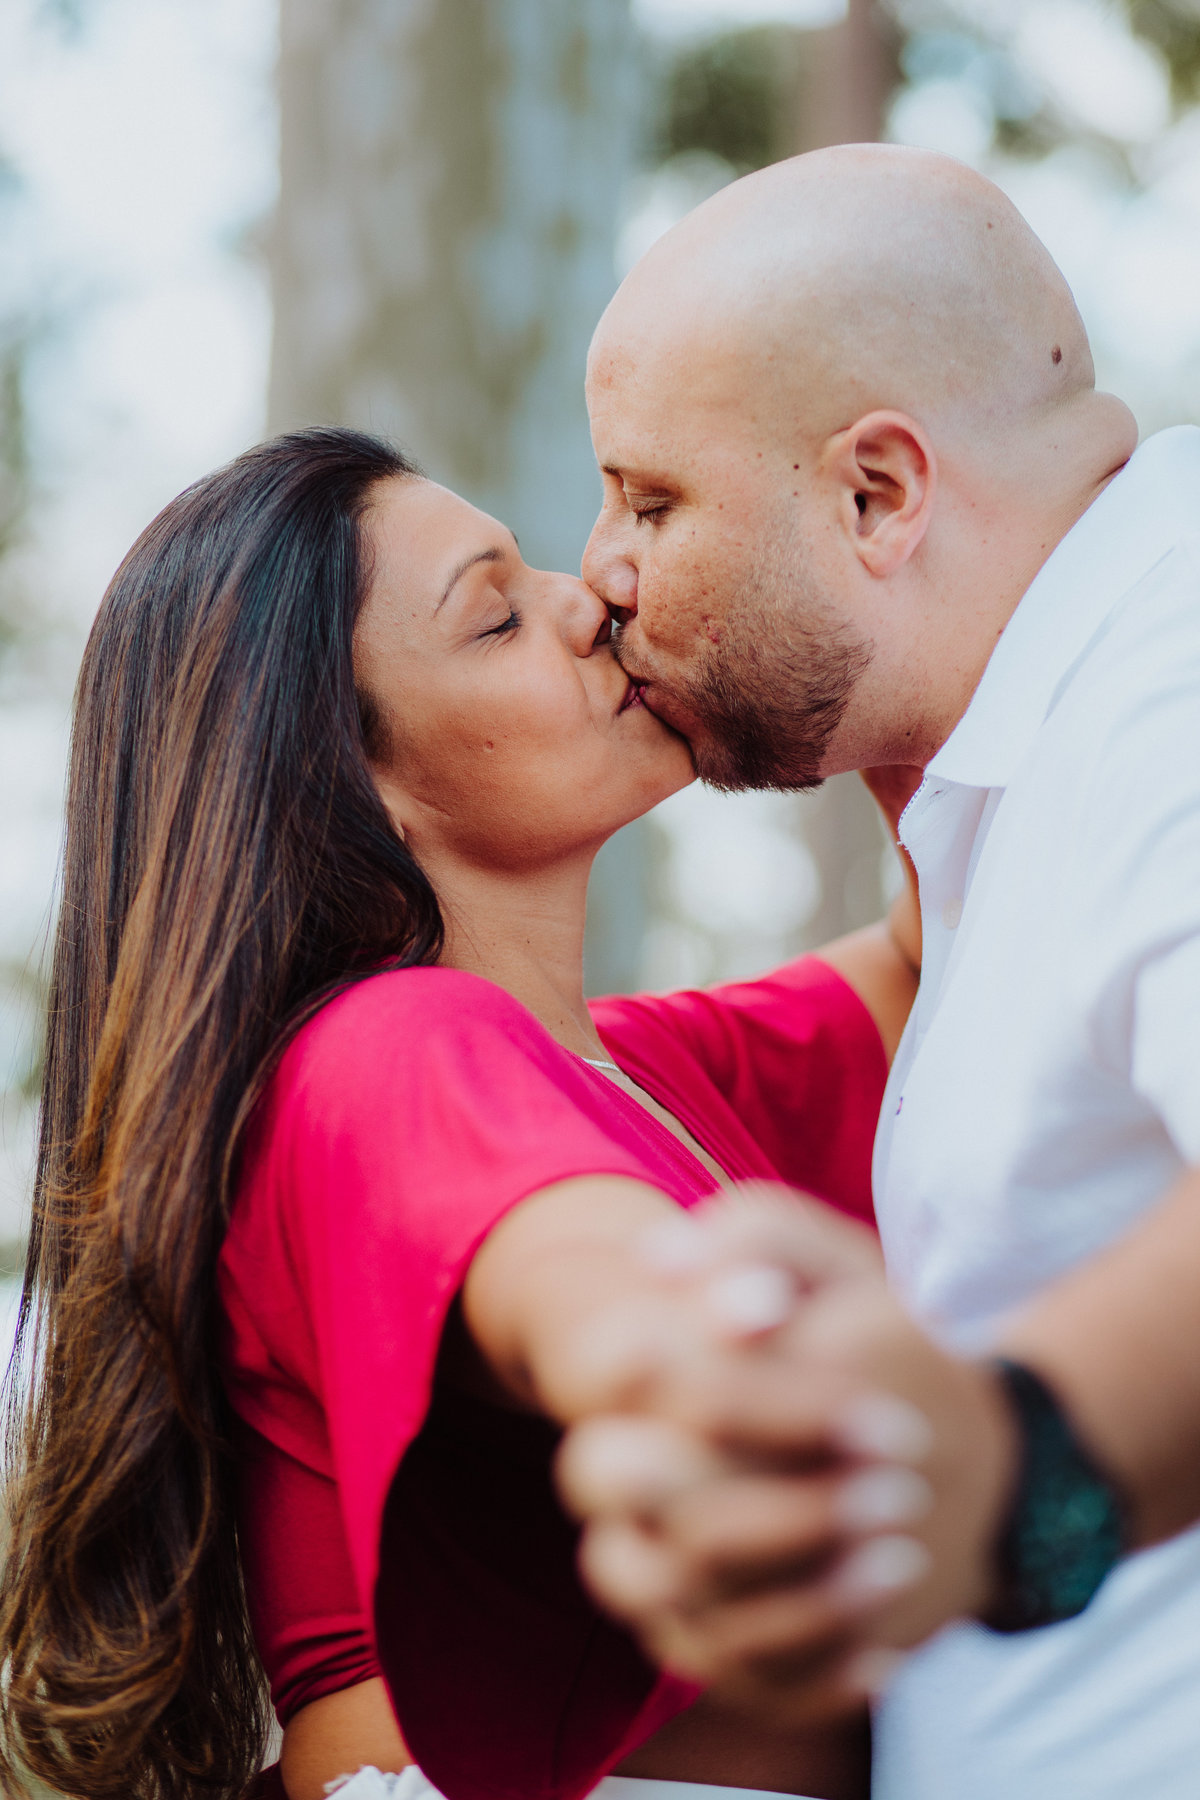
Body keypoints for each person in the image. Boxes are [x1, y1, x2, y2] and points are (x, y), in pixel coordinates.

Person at [0, 428, 924, 1800]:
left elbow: (927, 953)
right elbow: (617, 1301)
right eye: (495, 615)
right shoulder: (388, 1049)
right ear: (346, 782)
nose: (589, 595)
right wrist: (703, 1357)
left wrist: (864, 619)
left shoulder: (638, 1073)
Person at [558, 143, 1200, 1799]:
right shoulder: (1026, 756)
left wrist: (1006, 1464)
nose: (600, 574)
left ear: (880, 495)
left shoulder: (1171, 684)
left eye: (649, 499)